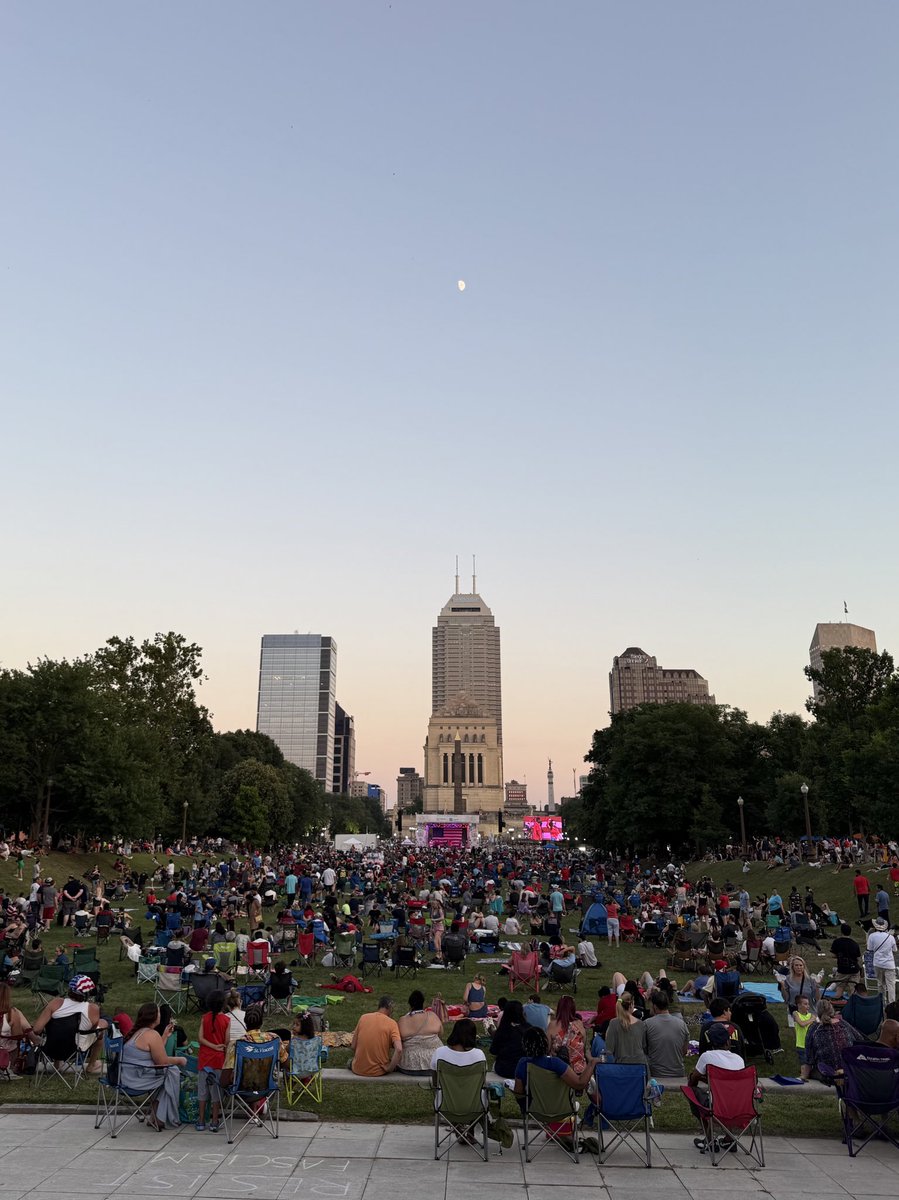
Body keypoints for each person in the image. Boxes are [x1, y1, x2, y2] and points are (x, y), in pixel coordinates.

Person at [119, 1002, 187, 1130]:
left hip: (124, 1077)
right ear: (154, 1017)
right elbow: (162, 1063)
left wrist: (165, 1036)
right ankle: (160, 1118)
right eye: (159, 1013)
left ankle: (156, 1116)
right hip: (137, 1081)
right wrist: (179, 1060)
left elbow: (151, 1054)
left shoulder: (138, 1032)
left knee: (166, 1073)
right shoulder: (151, 1034)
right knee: (171, 1073)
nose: (161, 1015)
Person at [688, 1021, 744, 1154]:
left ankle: (709, 1140)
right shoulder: (739, 1059)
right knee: (728, 1098)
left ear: (711, 1042)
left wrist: (702, 1080)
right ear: (728, 1042)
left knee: (691, 1091)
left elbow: (693, 1079)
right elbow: (731, 1083)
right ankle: (729, 1138)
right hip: (740, 1107)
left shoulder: (707, 1057)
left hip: (716, 1108)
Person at [32, 974, 108, 1073]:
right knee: (101, 1031)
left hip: (50, 1047)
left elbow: (36, 1030)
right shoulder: (92, 1008)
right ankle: (91, 1065)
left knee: (61, 1030)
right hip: (75, 1049)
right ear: (88, 993)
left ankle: (57, 1063)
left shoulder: (56, 1003)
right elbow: (92, 1030)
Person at [512, 1026, 595, 1109]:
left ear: (525, 1046)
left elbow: (519, 1093)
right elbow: (579, 1084)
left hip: (535, 1111)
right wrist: (591, 1063)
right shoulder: (556, 1064)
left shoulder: (523, 1064)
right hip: (562, 1110)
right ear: (545, 1042)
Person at [801, 1000, 863, 1083]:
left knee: (811, 1070)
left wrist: (804, 1076)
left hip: (829, 1075)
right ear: (832, 1010)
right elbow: (860, 1040)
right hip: (849, 1072)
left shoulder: (814, 1028)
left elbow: (809, 1058)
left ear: (817, 1012)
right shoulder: (844, 1024)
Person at [196, 993, 229, 1131]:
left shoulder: (204, 1018)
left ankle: (201, 1120)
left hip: (204, 1059)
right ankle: (215, 1120)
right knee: (216, 1093)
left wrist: (211, 1046)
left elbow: (200, 1038)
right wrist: (217, 1047)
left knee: (202, 1092)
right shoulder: (226, 1020)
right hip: (219, 1060)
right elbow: (226, 1042)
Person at [350, 995, 403, 1077]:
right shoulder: (392, 1024)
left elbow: (353, 1046)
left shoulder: (363, 1018)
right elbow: (399, 1049)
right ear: (390, 1007)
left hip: (357, 1069)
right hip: (379, 1071)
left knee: (349, 1062)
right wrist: (390, 1068)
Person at [396, 989, 444, 1075]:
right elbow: (441, 1034)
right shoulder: (432, 1016)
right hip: (436, 1064)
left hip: (409, 1066)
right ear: (423, 1003)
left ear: (409, 1004)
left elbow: (398, 1041)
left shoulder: (402, 1021)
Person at [644, 989, 688, 1077]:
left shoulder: (647, 1024)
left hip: (655, 1072)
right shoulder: (682, 1024)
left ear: (655, 1006)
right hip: (678, 1072)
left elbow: (643, 1049)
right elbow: (684, 1051)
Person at [603, 992, 648, 1065]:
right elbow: (644, 1047)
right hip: (640, 1068)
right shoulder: (641, 1024)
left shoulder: (614, 1023)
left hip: (621, 1067)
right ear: (631, 1005)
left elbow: (609, 1049)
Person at [546, 995, 588, 1072]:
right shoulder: (579, 1024)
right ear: (573, 1009)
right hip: (578, 1071)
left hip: (557, 1070)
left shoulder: (552, 1025)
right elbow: (584, 1047)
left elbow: (547, 1048)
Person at [489, 999, 529, 1077]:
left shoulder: (502, 1030)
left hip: (504, 1069)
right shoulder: (528, 1029)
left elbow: (493, 1050)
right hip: (524, 1069)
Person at [0, 982, 35, 1071]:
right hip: (5, 1055)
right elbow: (17, 1035)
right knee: (17, 1013)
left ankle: (34, 1038)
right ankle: (35, 1039)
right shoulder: (11, 1013)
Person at [867, 919, 898, 1004]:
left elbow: (870, 949)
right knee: (891, 985)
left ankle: (881, 1003)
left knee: (881, 984)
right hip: (889, 964)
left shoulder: (872, 936)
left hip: (877, 963)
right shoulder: (891, 937)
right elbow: (895, 950)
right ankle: (892, 1004)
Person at [829, 923, 862, 998]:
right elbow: (858, 959)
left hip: (842, 970)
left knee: (839, 990)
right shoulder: (855, 944)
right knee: (853, 992)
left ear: (841, 932)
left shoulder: (837, 942)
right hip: (854, 970)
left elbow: (833, 955)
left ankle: (836, 1005)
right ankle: (853, 1007)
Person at [793, 995, 816, 1067]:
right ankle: (804, 1076)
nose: (808, 1006)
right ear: (799, 1005)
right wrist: (811, 1020)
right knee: (804, 1064)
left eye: (808, 1004)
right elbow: (802, 1024)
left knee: (812, 1063)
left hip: (811, 1044)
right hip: (801, 1045)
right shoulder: (796, 1014)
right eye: (805, 1004)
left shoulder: (811, 1015)